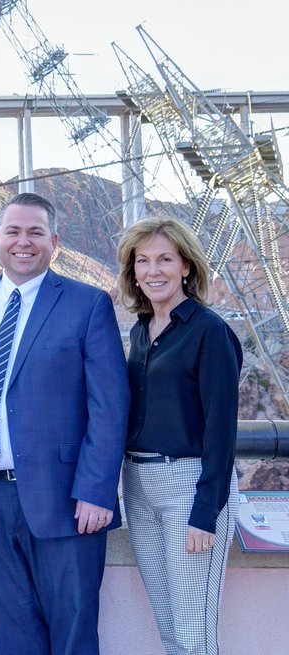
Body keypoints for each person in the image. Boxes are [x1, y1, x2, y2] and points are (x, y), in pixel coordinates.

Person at [0, 192, 129, 655]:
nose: (23, 242)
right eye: (13, 231)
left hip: (66, 501)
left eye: (35, 233)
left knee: (72, 637)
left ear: (54, 241)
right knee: (12, 639)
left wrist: (96, 490)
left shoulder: (87, 304)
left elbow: (109, 406)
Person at [116, 216, 241, 655]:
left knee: (194, 635)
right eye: (143, 261)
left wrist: (205, 512)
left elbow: (221, 429)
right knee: (169, 631)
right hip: (138, 487)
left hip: (189, 488)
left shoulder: (210, 331)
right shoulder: (140, 331)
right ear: (133, 270)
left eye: (165, 259)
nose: (153, 271)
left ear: (186, 266)